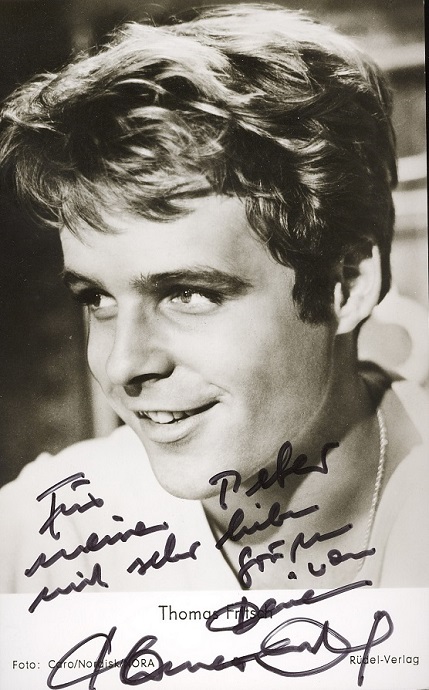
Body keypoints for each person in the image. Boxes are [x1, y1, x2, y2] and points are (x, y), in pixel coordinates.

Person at [0, 4, 427, 602]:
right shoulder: (41, 535)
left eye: (188, 294)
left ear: (347, 285)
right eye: (97, 298)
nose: (123, 365)